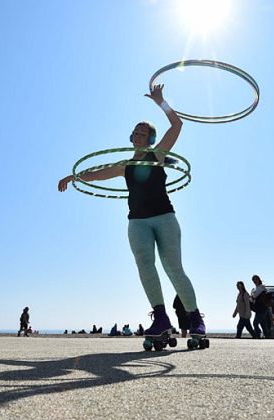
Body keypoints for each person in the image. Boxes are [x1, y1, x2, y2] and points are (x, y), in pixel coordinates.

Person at [58, 84, 205, 339]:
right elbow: (97, 175)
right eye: (135, 132)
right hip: (137, 222)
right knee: (145, 266)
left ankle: (195, 318)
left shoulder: (158, 155)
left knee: (173, 267)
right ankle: (161, 318)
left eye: (143, 132)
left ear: (150, 139)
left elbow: (177, 125)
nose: (138, 135)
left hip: (164, 218)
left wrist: (161, 102)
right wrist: (74, 177)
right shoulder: (125, 164)